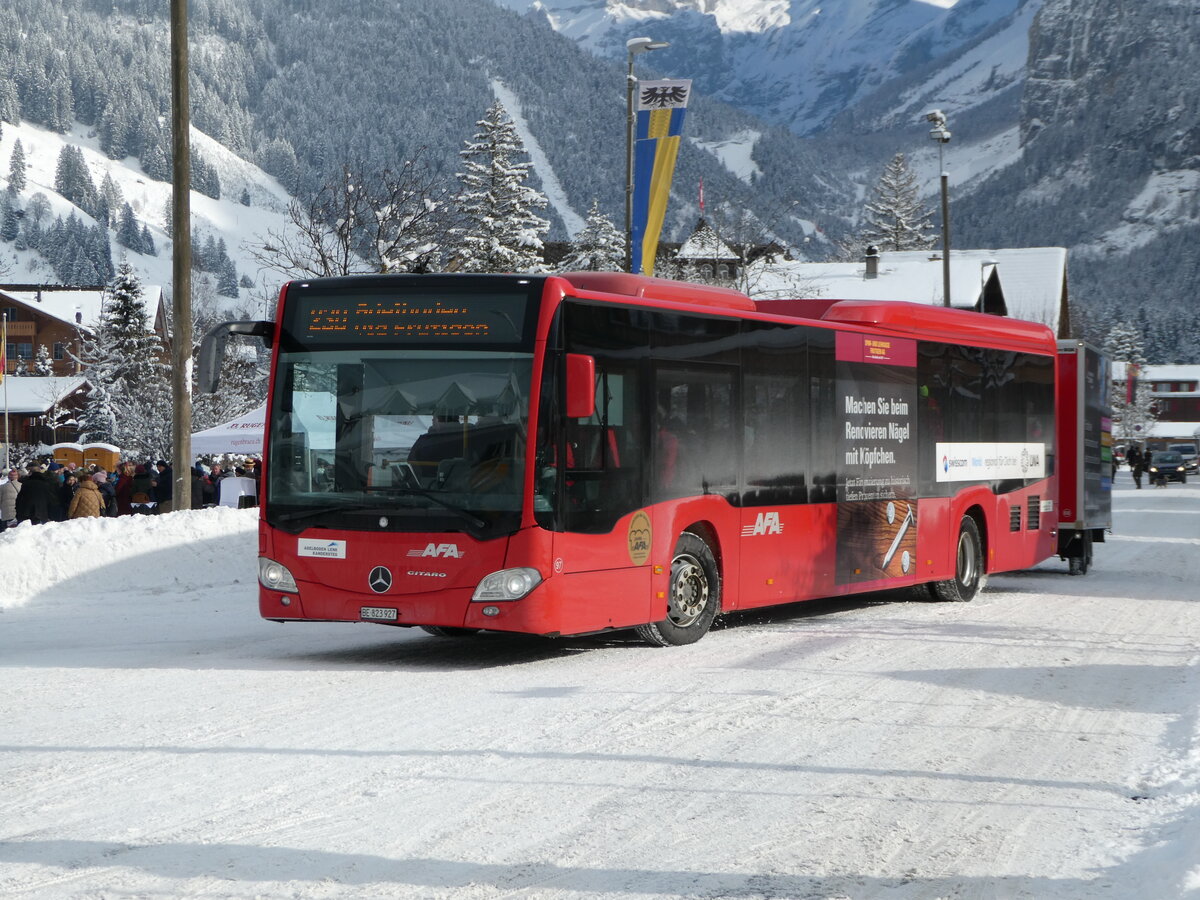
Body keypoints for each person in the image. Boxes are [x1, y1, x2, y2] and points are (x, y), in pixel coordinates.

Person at [0, 468, 20, 532]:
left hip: (6, 514)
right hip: (18, 514)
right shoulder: (22, 485)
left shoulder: (2, 487)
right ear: (17, 477)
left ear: (8, 477)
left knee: (6, 533)